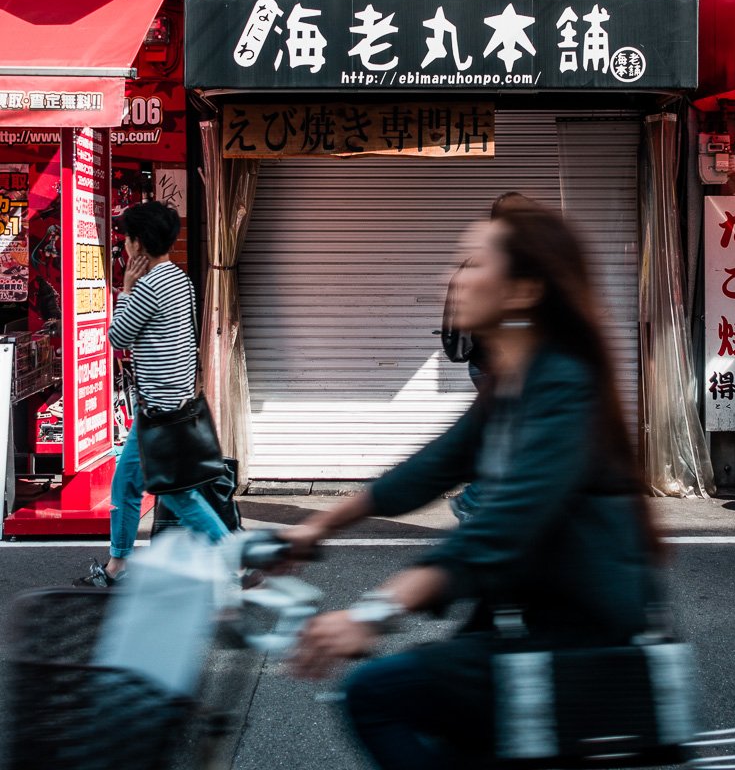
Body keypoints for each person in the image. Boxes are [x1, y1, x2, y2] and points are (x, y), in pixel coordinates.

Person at [286, 201, 661, 770]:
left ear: (522, 291)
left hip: (577, 639)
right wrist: (316, 525)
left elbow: (500, 531)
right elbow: (432, 467)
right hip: (527, 617)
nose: (451, 277)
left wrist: (371, 612)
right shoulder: (514, 381)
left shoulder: (563, 385)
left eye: (473, 263)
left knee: (376, 694)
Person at [75, 202, 228, 588]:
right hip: (172, 404)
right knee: (127, 485)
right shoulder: (180, 279)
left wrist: (125, 289)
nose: (124, 245)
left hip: (159, 410)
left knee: (177, 495)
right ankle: (116, 566)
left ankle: (235, 558)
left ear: (137, 243)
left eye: (126, 238)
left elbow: (117, 337)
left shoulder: (146, 286)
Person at [440, 191, 531, 522]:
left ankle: (487, 506)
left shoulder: (488, 258)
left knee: (506, 436)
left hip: (488, 366)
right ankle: (475, 501)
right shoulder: (508, 261)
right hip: (502, 367)